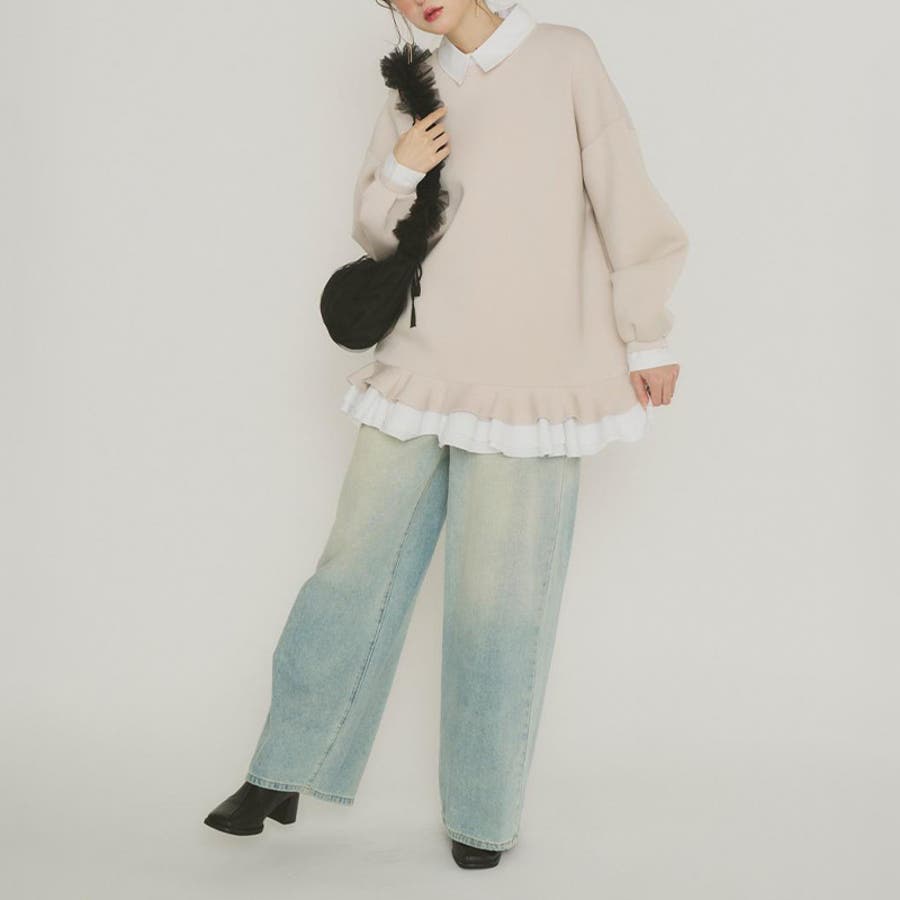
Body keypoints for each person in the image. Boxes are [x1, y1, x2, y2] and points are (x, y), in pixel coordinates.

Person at [204, 0, 689, 870]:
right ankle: (282, 768)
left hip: (535, 376)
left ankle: (481, 812)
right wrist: (400, 166)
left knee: (499, 600)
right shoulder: (415, 85)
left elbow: (626, 194)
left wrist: (646, 335)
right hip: (422, 363)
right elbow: (378, 235)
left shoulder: (566, 57)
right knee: (351, 568)